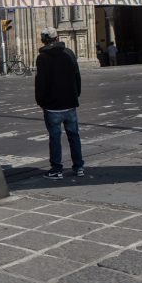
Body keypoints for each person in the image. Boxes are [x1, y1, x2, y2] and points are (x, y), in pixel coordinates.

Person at [35, 27, 85, 178]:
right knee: (74, 135)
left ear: (43, 40)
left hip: (52, 106)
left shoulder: (42, 58)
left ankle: (57, 169)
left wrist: (41, 101)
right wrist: (75, 95)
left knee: (55, 138)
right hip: (70, 103)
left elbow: (40, 83)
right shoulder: (69, 53)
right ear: (57, 38)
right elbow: (77, 76)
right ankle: (79, 167)